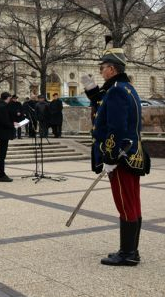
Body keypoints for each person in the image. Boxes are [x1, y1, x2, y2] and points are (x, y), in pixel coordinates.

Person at [82, 37, 149, 266]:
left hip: (121, 157)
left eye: (102, 68)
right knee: (132, 202)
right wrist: (92, 93)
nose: (100, 72)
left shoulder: (117, 92)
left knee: (125, 203)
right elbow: (107, 105)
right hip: (131, 155)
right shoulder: (125, 88)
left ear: (111, 69)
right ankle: (130, 250)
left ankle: (128, 254)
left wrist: (110, 156)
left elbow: (117, 128)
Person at [0, 92, 16, 182]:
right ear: (8, 98)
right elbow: (4, 121)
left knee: (2, 155)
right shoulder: (2, 107)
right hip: (3, 133)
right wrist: (13, 125)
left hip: (1, 133)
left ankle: (1, 174)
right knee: (2, 155)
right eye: (10, 97)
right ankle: (1, 175)